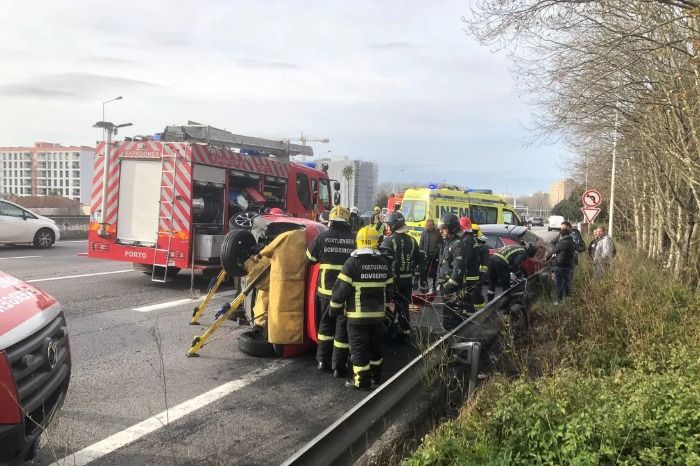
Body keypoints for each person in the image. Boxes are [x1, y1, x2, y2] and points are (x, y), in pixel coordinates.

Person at [329, 226, 394, 390]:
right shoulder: (383, 263)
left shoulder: (352, 263)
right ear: (376, 243)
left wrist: (333, 309)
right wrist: (385, 306)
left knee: (358, 349)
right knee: (375, 347)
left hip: (356, 317)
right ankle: (376, 376)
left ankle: (361, 381)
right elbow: (390, 289)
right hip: (378, 317)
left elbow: (340, 291)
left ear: (358, 242)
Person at [306, 205, 356, 377]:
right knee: (342, 328)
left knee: (325, 324)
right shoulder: (353, 239)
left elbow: (309, 259)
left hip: (326, 291)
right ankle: (338, 367)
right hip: (346, 292)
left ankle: (321, 361)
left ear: (331, 221)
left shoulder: (322, 237)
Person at [380, 212, 422, 340]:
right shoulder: (412, 240)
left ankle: (389, 331)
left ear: (393, 225)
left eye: (388, 225)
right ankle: (405, 331)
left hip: (393, 282)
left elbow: (384, 263)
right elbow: (417, 258)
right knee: (404, 307)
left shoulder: (388, 241)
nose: (386, 228)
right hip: (407, 281)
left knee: (389, 305)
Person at [436, 213, 466, 329]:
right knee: (448, 316)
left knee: (451, 318)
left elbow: (457, 270)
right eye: (440, 229)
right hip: (446, 288)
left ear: (452, 228)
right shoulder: (448, 243)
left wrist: (448, 287)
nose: (441, 232)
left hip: (452, 290)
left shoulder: (458, 245)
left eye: (444, 229)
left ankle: (451, 342)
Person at [547, 221, 576, 304]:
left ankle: (559, 301)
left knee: (559, 283)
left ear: (562, 234)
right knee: (567, 282)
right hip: (569, 265)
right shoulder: (571, 241)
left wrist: (546, 258)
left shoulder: (562, 242)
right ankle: (567, 298)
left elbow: (553, 251)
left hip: (560, 265)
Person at [459, 217, 480, 315]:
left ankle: (468, 317)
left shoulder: (467, 241)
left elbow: (466, 258)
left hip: (469, 274)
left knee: (466, 296)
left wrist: (460, 270)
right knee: (468, 295)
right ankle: (468, 314)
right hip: (473, 272)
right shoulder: (472, 239)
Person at [418, 218, 442, 293]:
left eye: (430, 225)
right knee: (424, 272)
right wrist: (420, 254)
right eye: (427, 225)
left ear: (433, 225)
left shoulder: (437, 233)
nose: (428, 227)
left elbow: (441, 243)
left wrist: (438, 249)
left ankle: (434, 286)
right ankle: (424, 287)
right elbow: (421, 244)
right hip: (425, 255)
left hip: (434, 256)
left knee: (434, 273)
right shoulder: (424, 232)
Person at [470, 223, 490, 311]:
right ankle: (478, 305)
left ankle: (478, 306)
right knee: (475, 288)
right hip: (476, 271)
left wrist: (482, 273)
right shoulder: (474, 240)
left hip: (477, 271)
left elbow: (484, 262)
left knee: (476, 288)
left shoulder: (481, 246)